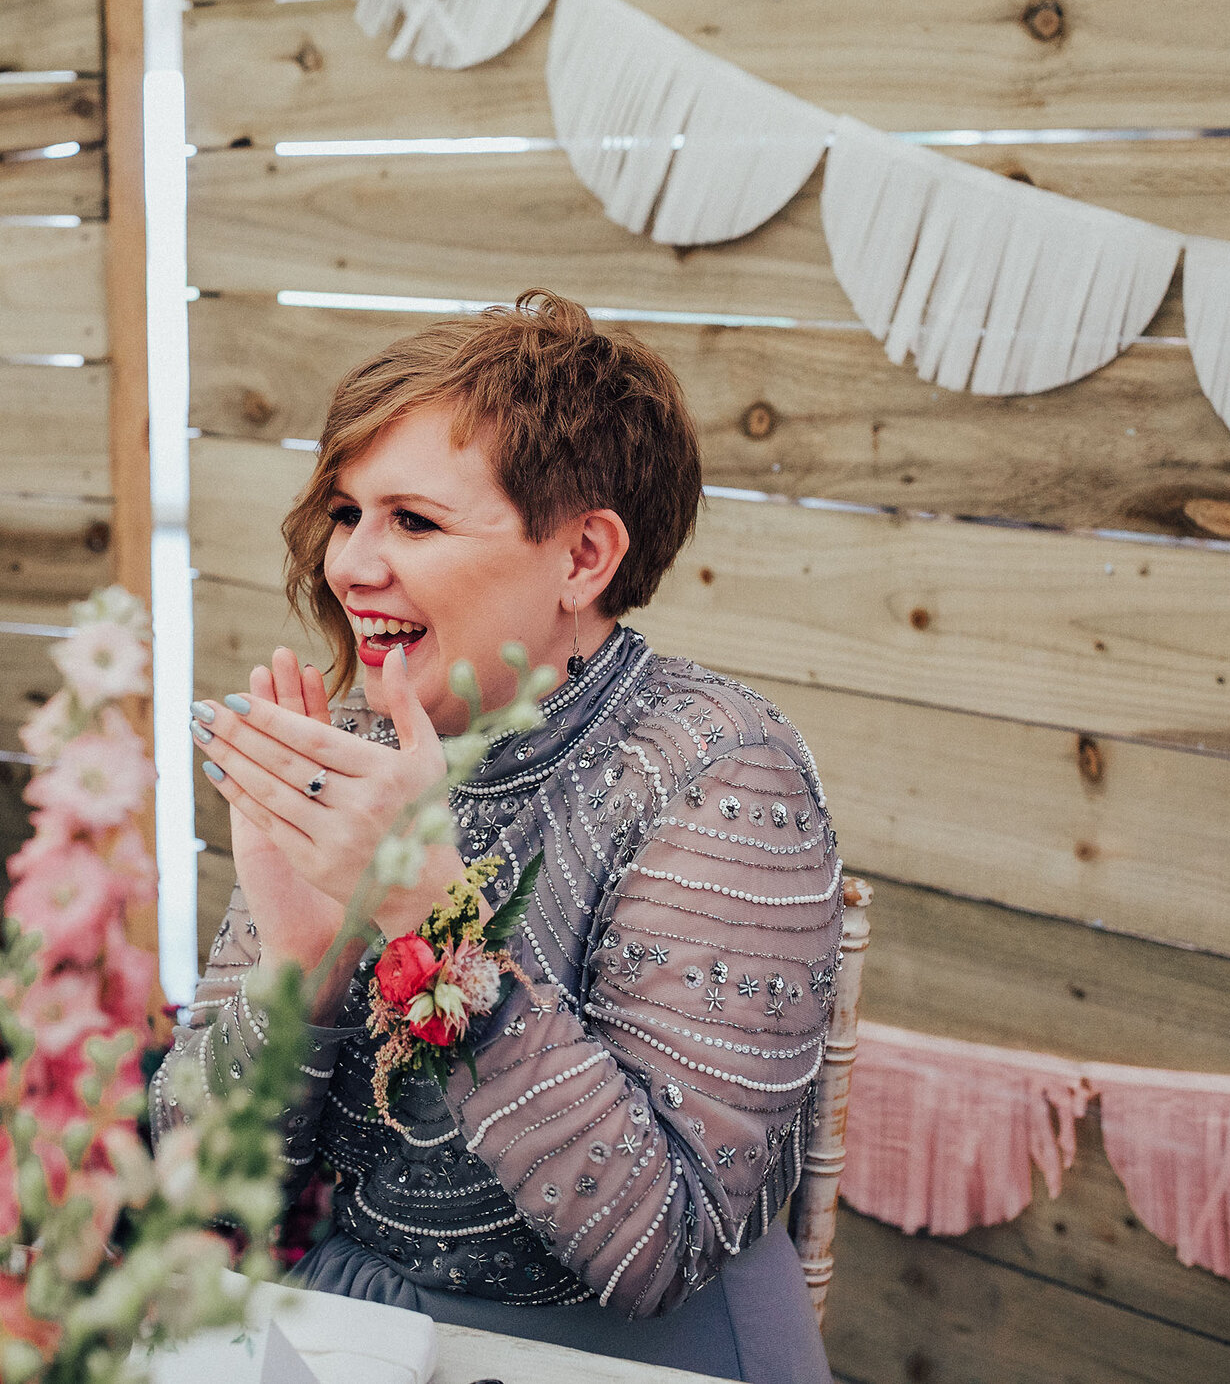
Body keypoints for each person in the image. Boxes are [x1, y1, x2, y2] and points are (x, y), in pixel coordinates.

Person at [152, 292, 840, 1384]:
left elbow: (664, 1247)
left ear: (582, 556)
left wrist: (430, 918)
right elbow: (199, 1194)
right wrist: (300, 963)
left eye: (412, 521)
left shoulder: (718, 772)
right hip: (357, 1333)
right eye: (345, 514)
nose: (350, 567)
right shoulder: (354, 751)